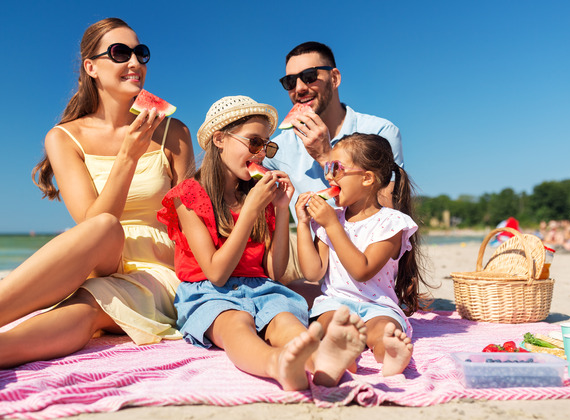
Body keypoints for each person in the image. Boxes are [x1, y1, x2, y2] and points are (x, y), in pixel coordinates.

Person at [0, 18, 194, 382]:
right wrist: (127, 159)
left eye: (141, 53)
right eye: (119, 53)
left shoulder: (175, 132)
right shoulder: (63, 138)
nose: (135, 62)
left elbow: (191, 217)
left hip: (159, 265)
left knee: (90, 308)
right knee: (106, 225)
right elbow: (92, 222)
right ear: (90, 67)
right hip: (98, 251)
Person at [157, 96, 366, 390]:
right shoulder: (188, 195)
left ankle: (323, 361)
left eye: (266, 146)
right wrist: (251, 210)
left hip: (261, 288)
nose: (261, 154)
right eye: (253, 142)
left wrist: (282, 208)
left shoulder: (259, 194)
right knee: (235, 326)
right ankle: (276, 364)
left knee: (285, 320)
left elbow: (275, 272)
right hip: (209, 292)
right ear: (220, 139)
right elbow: (217, 273)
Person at [295, 133, 429, 377]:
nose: (328, 176)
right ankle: (342, 357)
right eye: (326, 168)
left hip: (378, 305)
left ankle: (389, 355)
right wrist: (304, 225)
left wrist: (332, 226)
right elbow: (313, 272)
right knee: (329, 327)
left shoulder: (391, 223)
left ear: (367, 178)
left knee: (384, 331)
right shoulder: (330, 220)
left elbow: (362, 270)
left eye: (336, 168)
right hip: (335, 303)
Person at [264, 41, 404, 222]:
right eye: (290, 82)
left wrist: (325, 157)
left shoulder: (380, 131)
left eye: (309, 76)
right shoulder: (279, 148)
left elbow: (387, 211)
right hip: (309, 250)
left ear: (334, 78)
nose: (299, 88)